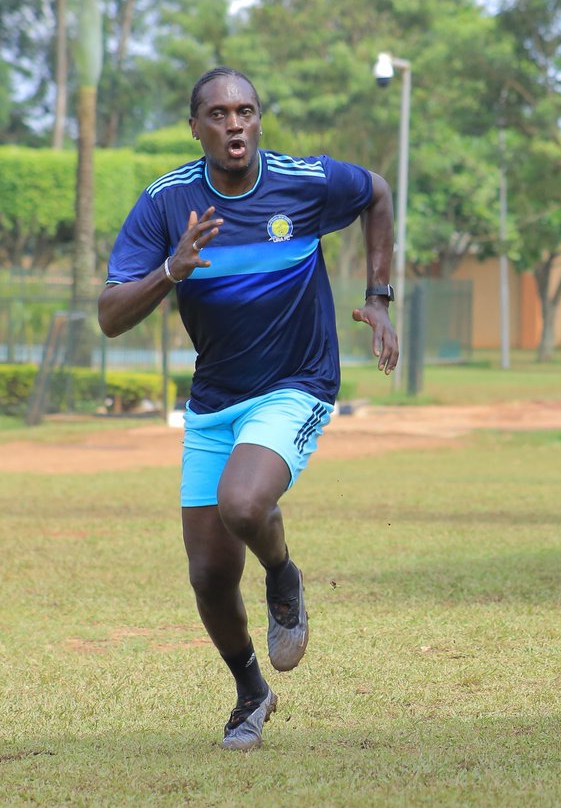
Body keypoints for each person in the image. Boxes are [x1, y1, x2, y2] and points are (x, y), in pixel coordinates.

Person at [98, 67, 399, 751]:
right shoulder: (166, 203)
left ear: (258, 119)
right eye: (219, 114)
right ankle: (251, 694)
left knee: (243, 504)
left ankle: (284, 575)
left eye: (247, 111)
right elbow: (110, 315)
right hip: (215, 400)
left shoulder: (305, 181)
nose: (235, 124)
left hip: (298, 381)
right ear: (195, 127)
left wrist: (379, 296)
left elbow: (377, 192)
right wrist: (171, 269)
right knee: (208, 576)